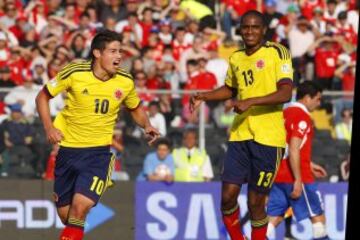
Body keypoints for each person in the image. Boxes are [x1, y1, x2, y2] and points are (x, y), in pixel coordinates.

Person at [35, 30, 160, 240]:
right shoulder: (75, 73)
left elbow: (135, 108)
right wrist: (49, 128)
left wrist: (146, 124)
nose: (119, 56)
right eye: (113, 51)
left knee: (80, 209)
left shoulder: (125, 81)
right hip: (67, 152)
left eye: (120, 51)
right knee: (67, 217)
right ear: (97, 53)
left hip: (98, 155)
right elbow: (42, 96)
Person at [190, 10, 293, 240]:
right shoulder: (236, 57)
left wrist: (250, 101)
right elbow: (231, 89)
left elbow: (286, 92)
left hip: (268, 138)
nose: (249, 31)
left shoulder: (278, 52)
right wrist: (204, 96)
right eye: (245, 27)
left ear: (263, 29)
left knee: (256, 203)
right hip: (239, 135)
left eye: (255, 27)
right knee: (227, 197)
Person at [267, 81, 329, 240]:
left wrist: (309, 163)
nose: (319, 103)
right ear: (307, 98)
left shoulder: (284, 113)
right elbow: (294, 148)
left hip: (278, 175)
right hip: (297, 177)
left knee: (274, 217)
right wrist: (298, 179)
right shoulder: (302, 117)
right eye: (318, 99)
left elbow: (285, 147)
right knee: (318, 219)